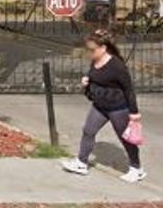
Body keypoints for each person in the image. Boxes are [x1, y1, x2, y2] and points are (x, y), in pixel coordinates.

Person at [61, 29, 145, 183]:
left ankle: (136, 168)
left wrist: (134, 112)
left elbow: (129, 89)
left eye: (92, 50)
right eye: (88, 49)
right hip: (100, 106)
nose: (89, 53)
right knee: (88, 131)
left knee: (125, 138)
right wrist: (87, 82)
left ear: (103, 48)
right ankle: (81, 163)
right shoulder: (95, 61)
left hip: (117, 108)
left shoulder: (117, 66)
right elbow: (94, 77)